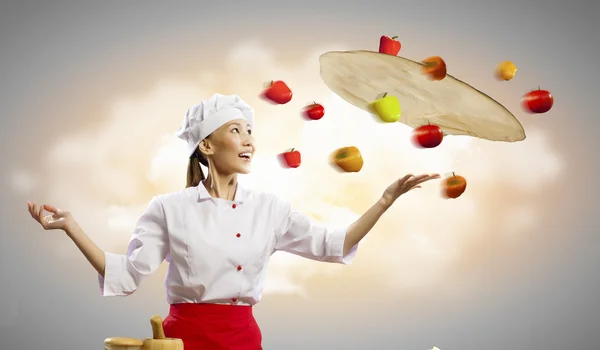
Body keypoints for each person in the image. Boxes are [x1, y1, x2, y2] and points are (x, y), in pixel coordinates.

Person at [26, 93, 440, 350]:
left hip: (244, 339)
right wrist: (71, 227)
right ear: (206, 144)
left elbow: (333, 244)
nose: (248, 140)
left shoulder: (270, 208)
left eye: (249, 132)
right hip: (182, 341)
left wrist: (384, 201)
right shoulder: (169, 207)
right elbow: (128, 274)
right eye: (236, 130)